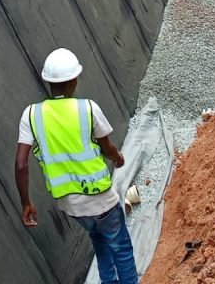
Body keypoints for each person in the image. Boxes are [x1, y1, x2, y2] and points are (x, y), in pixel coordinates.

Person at [15, 48, 138, 284]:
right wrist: (118, 158)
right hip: (101, 200)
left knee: (100, 241)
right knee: (121, 248)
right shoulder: (87, 108)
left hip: (72, 206)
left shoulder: (31, 115)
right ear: (73, 81)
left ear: (48, 81)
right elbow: (107, 147)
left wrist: (26, 204)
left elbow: (21, 165)